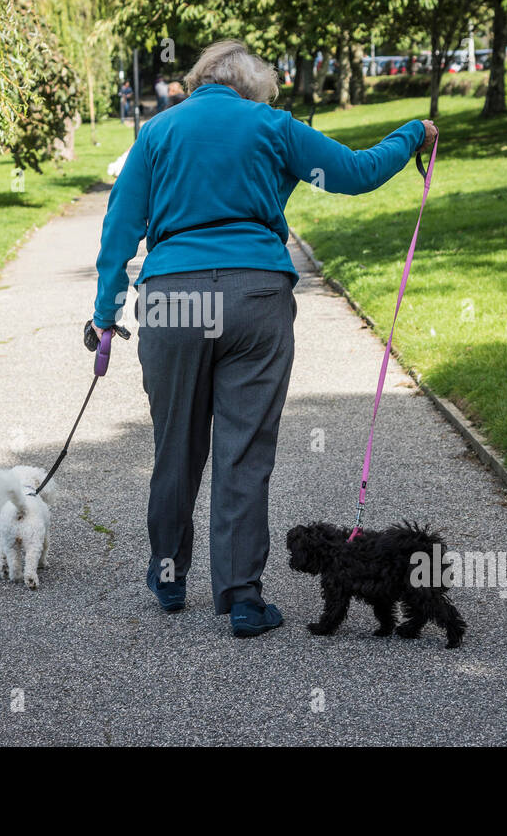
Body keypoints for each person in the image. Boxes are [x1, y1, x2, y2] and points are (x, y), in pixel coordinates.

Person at [87, 39, 436, 638]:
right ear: (253, 89)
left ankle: (170, 579)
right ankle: (243, 598)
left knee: (175, 448)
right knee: (243, 453)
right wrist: (413, 133)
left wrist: (104, 313)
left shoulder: (158, 132)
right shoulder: (274, 126)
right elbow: (356, 173)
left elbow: (121, 225)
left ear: (201, 81)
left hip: (173, 299)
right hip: (255, 298)